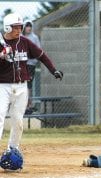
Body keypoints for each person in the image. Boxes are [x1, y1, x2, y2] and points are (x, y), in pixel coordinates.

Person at [0, 13, 63, 166]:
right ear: (8, 27)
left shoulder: (25, 42)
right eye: (15, 27)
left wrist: (53, 69)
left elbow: (41, 55)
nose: (19, 30)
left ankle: (12, 149)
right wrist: (2, 56)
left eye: (20, 27)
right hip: (3, 86)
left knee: (18, 121)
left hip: (22, 86)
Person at [22, 20, 41, 114]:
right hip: (21, 64)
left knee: (28, 85)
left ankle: (28, 106)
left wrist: (34, 59)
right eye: (27, 26)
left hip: (30, 64)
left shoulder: (34, 38)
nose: (29, 28)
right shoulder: (20, 37)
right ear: (24, 27)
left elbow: (39, 50)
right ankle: (24, 105)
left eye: (30, 26)